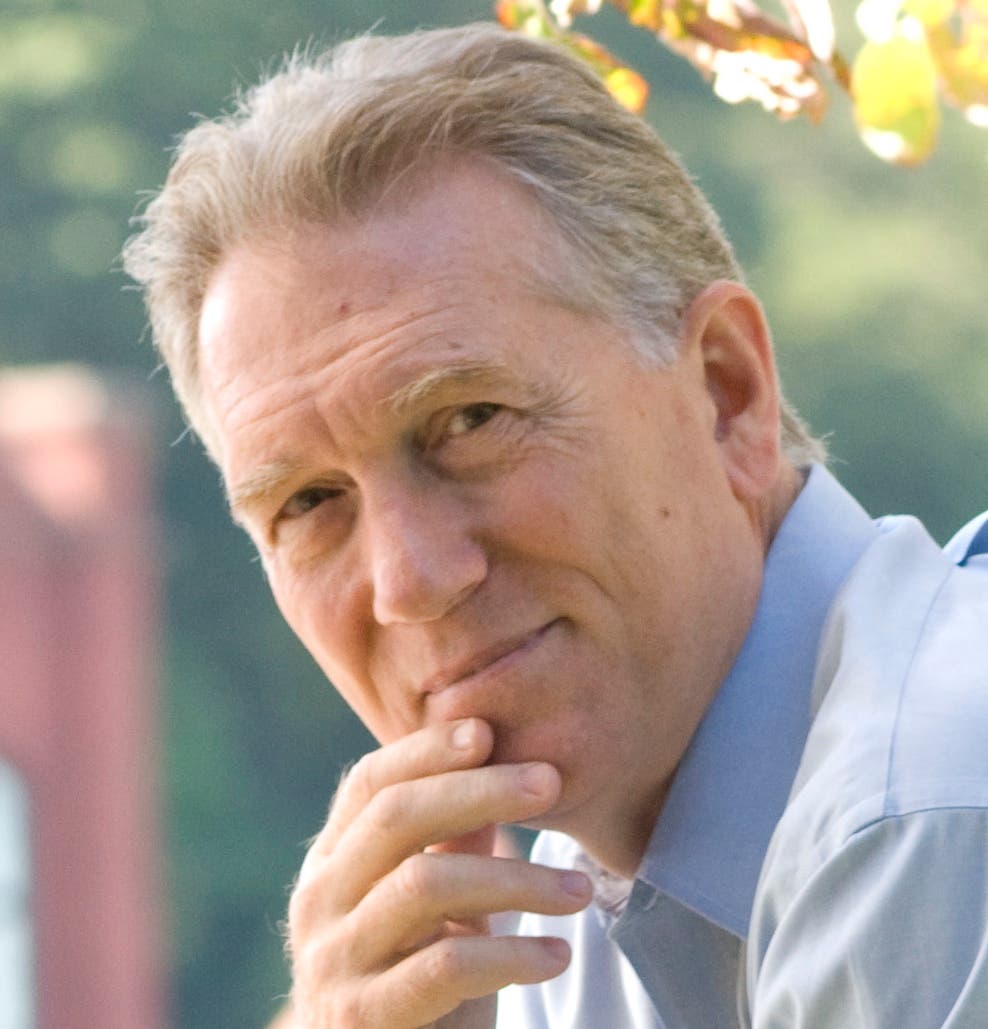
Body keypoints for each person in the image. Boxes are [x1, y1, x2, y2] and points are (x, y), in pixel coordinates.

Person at [123, 22, 988, 1028]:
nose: (410, 580)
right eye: (309, 503)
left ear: (725, 393)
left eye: (470, 421)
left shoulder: (923, 813)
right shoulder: (556, 919)